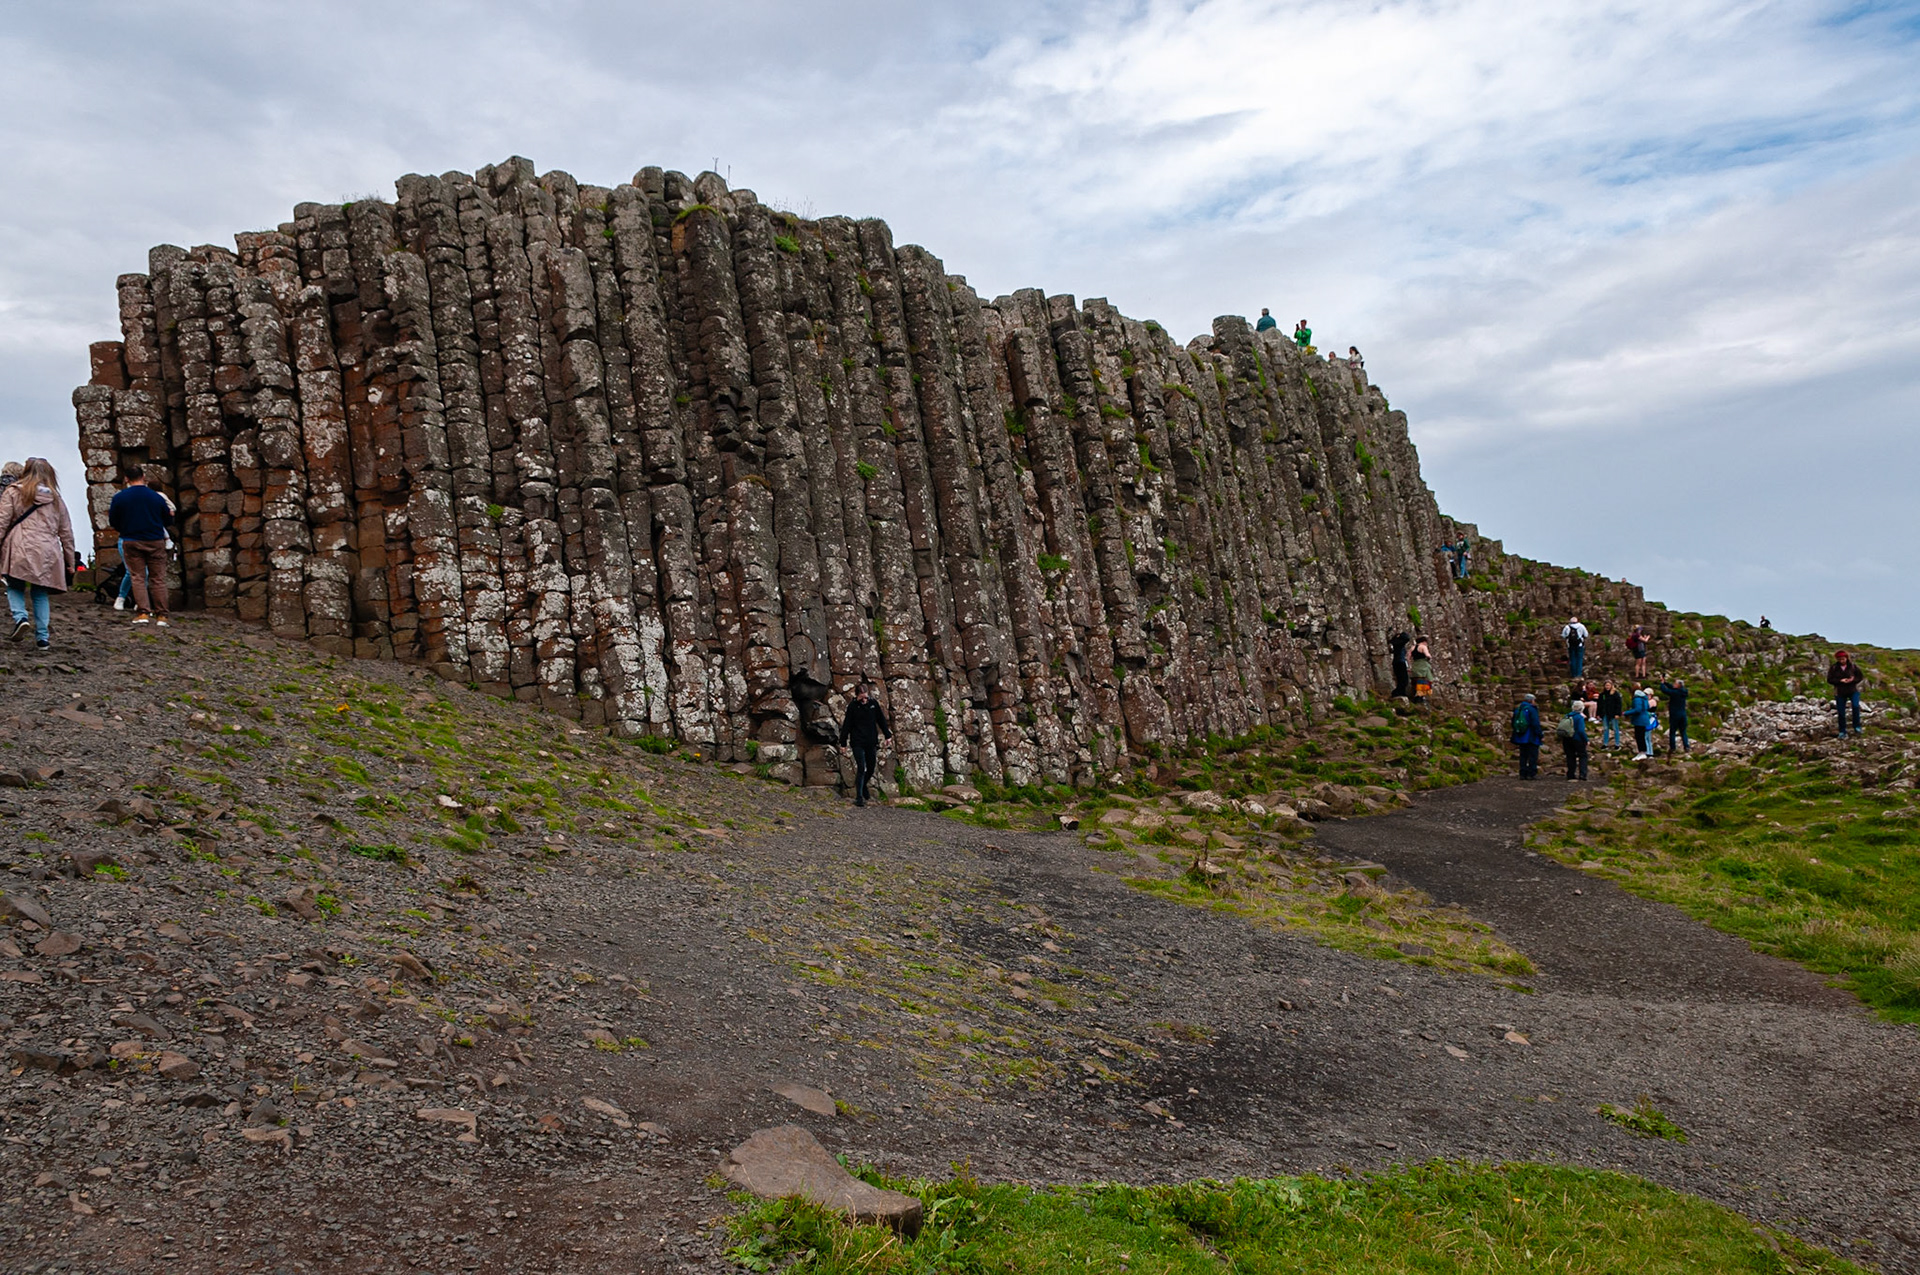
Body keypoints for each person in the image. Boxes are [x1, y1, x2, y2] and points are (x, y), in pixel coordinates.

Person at [0, 458, 79, 655]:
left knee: (14, 585)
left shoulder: (14, 491)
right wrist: (71, 561)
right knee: (40, 593)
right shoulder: (56, 499)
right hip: (48, 549)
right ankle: (42, 638)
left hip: (20, 544)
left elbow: (2, 522)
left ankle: (21, 618)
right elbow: (66, 532)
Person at [108, 466, 174, 627]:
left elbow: (113, 521)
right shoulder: (156, 497)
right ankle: (162, 616)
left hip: (131, 539)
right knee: (158, 578)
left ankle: (143, 612)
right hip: (155, 540)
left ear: (126, 479)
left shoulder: (120, 497)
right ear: (143, 477)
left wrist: (125, 529)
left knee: (137, 577)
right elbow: (168, 520)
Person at [839, 682, 893, 807]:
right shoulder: (852, 707)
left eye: (866, 696)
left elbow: (881, 720)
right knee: (861, 767)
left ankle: (863, 786)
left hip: (871, 741)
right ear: (857, 695)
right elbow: (847, 725)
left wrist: (887, 735)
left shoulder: (873, 704)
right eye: (862, 697)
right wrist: (843, 743)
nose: (864, 699)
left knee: (871, 767)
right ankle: (859, 797)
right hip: (857, 741)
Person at [1828, 650, 1865, 739]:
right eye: (1839, 659)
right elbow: (1829, 680)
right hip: (1840, 692)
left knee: (1856, 707)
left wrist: (1853, 680)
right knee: (1841, 712)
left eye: (1843, 659)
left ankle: (1857, 727)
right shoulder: (1834, 668)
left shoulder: (1853, 666)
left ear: (1846, 658)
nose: (1841, 661)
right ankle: (1842, 731)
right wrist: (1840, 681)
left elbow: (1860, 677)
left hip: (1853, 690)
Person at [1510, 693, 1543, 779]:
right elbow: (1535, 723)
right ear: (1531, 700)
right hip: (1531, 736)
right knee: (1533, 755)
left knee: (1523, 755)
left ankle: (1522, 772)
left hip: (1520, 736)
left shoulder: (1518, 709)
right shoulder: (1532, 709)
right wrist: (1540, 734)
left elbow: (1513, 722)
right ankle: (1531, 773)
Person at [1556, 701, 1589, 780]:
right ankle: (1582, 774)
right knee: (1583, 756)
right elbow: (1581, 730)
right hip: (1577, 739)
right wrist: (1586, 739)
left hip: (1566, 739)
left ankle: (1570, 774)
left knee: (1570, 756)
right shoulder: (1579, 717)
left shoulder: (1567, 716)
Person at [1658, 676, 1690, 754]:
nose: (1673, 684)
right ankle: (1687, 746)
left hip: (1675, 714)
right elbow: (1671, 687)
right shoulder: (1683, 692)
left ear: (1678, 685)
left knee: (1672, 731)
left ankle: (1673, 748)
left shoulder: (1675, 693)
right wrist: (1665, 682)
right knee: (1683, 731)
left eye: (1675, 683)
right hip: (1683, 714)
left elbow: (1665, 690)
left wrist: (1662, 684)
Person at [1627, 685, 1655, 760]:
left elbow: (1637, 709)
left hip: (1639, 720)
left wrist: (1626, 713)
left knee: (1639, 737)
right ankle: (1642, 753)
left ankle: (1642, 752)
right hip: (1644, 719)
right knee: (1641, 736)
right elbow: (1646, 707)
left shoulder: (1637, 698)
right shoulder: (1644, 698)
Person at [1597, 680, 1624, 750]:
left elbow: (1619, 704)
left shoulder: (1615, 694)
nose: (1607, 687)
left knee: (1615, 728)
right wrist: (1598, 713)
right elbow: (1599, 704)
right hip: (1604, 713)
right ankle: (1605, 744)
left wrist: (1618, 713)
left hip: (1613, 713)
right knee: (1605, 729)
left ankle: (1617, 744)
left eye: (1608, 685)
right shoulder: (1602, 694)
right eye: (1606, 685)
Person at [1408, 636, 1434, 703]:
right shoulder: (1423, 647)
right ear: (1424, 642)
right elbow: (1427, 655)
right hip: (1423, 666)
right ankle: (1419, 698)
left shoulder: (1412, 648)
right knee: (1425, 681)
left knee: (1417, 681)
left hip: (1415, 666)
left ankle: (1417, 697)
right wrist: (1429, 657)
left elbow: (1408, 657)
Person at [1389, 630, 1411, 699]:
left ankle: (1400, 692)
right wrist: (1401, 634)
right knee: (1404, 679)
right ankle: (1397, 692)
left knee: (1400, 679)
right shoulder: (1399, 643)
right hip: (1400, 662)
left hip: (1397, 662)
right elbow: (1407, 638)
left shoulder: (1395, 643)